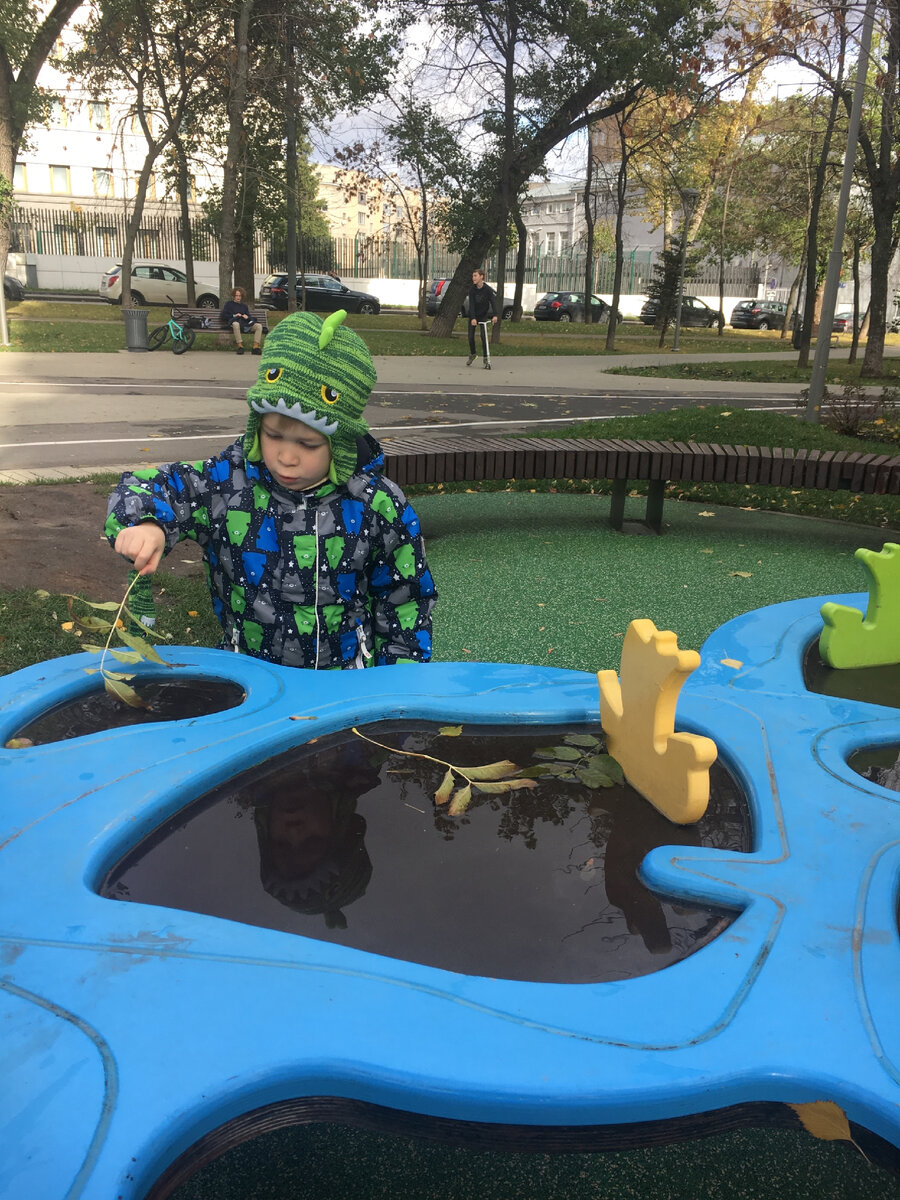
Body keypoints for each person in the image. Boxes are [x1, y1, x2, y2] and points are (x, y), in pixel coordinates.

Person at [106, 308, 437, 670]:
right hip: (247, 678)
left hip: (340, 685)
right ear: (256, 425)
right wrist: (148, 524)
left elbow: (405, 600)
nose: (286, 457)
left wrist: (398, 689)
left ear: (340, 444)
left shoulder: (377, 505)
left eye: (308, 444)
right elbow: (151, 486)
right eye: (273, 435)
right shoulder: (227, 483)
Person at [466, 268, 498, 367]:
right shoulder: (472, 290)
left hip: (483, 316)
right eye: (473, 276)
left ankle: (485, 358)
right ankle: (473, 354)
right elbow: (471, 305)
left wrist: (495, 315)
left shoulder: (487, 290)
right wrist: (473, 318)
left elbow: (493, 302)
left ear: (481, 277)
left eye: (475, 276)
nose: (473, 278)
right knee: (471, 337)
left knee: (484, 337)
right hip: (473, 316)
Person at [221, 286, 264, 355]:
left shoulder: (244, 306)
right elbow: (223, 315)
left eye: (240, 296)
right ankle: (240, 346)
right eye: (236, 295)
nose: (238, 297)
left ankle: (255, 347)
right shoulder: (229, 304)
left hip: (244, 324)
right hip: (235, 324)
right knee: (235, 324)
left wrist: (247, 317)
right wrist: (234, 315)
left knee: (259, 326)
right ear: (233, 296)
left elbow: (249, 317)